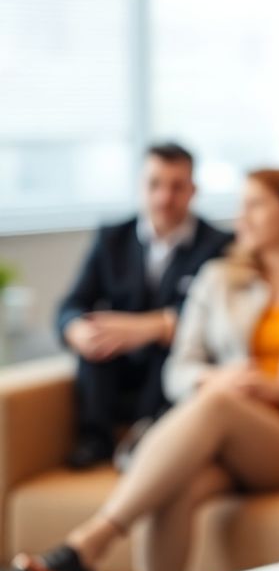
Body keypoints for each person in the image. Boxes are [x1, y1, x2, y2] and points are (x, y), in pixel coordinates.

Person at [15, 169, 279, 571]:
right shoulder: (217, 280)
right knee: (172, 488)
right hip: (217, 437)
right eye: (240, 205)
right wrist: (217, 377)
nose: (240, 218)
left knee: (217, 404)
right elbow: (179, 371)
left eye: (255, 205)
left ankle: (88, 544)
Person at [56, 143, 233, 470]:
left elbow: (220, 322)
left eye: (177, 187)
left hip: (168, 366)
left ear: (193, 190)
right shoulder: (111, 239)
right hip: (117, 368)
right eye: (155, 184)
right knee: (99, 338)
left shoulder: (219, 245)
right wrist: (76, 329)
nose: (164, 197)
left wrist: (152, 327)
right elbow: (71, 304)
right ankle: (95, 440)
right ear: (141, 186)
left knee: (174, 351)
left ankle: (151, 438)